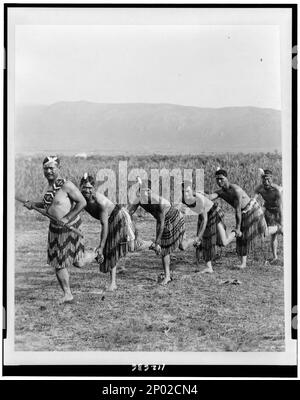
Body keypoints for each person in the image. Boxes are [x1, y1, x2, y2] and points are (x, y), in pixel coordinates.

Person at [24, 156, 86, 303]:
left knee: (79, 262)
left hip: (70, 227)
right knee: (58, 263)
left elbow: (82, 202)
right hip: (55, 229)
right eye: (46, 168)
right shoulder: (48, 188)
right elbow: (50, 205)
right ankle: (67, 294)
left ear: (58, 168)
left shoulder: (66, 185)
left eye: (52, 168)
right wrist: (34, 204)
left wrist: (67, 218)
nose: (49, 171)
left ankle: (96, 255)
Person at [80, 174, 152, 291]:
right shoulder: (80, 197)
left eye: (90, 188)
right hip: (110, 219)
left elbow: (104, 225)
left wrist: (101, 247)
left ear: (94, 188)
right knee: (115, 247)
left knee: (128, 247)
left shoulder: (99, 202)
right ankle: (113, 283)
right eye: (84, 187)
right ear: (80, 186)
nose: (87, 190)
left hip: (119, 217)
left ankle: (151, 244)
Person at [208, 169, 279, 269]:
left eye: (221, 179)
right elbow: (209, 197)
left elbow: (237, 210)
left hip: (253, 209)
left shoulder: (236, 190)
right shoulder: (220, 192)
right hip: (243, 213)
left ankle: (278, 228)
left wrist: (237, 228)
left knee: (264, 233)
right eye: (217, 179)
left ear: (226, 178)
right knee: (242, 237)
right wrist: (195, 195)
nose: (219, 181)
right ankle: (243, 263)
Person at [128, 179, 191, 285]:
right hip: (162, 220)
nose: (142, 193)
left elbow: (161, 223)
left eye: (145, 191)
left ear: (150, 191)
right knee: (182, 246)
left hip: (174, 218)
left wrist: (158, 242)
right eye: (140, 190)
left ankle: (167, 277)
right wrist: (134, 231)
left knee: (164, 247)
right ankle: (197, 241)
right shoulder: (139, 199)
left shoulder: (157, 202)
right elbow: (128, 213)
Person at [182, 180, 236, 273]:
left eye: (187, 191)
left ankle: (236, 232)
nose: (185, 194)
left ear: (192, 191)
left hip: (214, 212)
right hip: (203, 214)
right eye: (183, 191)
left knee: (224, 242)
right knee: (205, 240)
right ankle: (209, 267)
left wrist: (198, 237)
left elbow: (205, 219)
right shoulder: (183, 199)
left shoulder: (198, 199)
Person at [254, 169, 283, 264]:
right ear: (261, 179)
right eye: (264, 180)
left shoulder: (276, 190)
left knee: (275, 232)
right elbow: (253, 200)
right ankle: (275, 257)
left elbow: (281, 207)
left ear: (272, 179)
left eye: (268, 179)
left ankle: (280, 228)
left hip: (279, 211)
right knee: (273, 236)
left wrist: (282, 222)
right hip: (269, 211)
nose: (266, 182)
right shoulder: (259, 188)